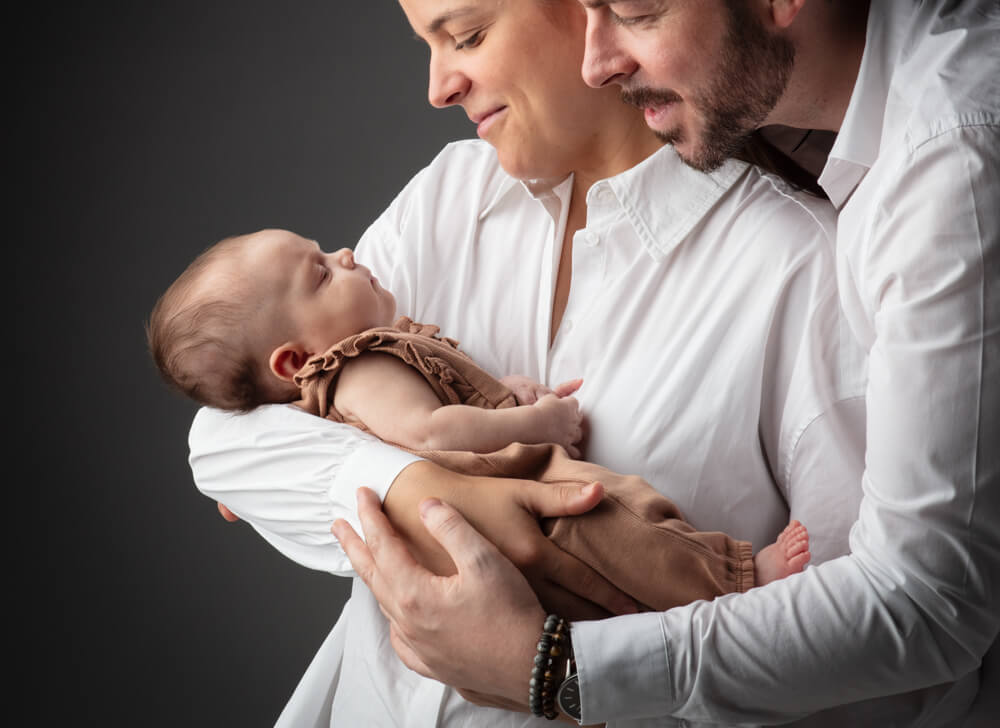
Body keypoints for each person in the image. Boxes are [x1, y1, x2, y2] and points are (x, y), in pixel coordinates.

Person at [335, 0, 1000, 726]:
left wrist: (554, 665)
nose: (596, 59)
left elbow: (925, 616)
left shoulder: (951, 167)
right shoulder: (842, 99)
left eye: (624, 9)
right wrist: (428, 474)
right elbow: (240, 413)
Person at [187, 0, 865, 727]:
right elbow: (224, 438)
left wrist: (554, 666)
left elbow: (867, 652)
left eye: (464, 35)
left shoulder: (798, 265)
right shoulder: (450, 199)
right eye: (427, 44)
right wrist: (424, 486)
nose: (437, 87)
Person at [154, 227, 811, 600]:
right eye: (322, 274)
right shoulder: (357, 366)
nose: (346, 256)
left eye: (325, 250)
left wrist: (511, 391)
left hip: (501, 502)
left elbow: (448, 398)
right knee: (619, 520)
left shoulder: (374, 354)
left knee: (623, 525)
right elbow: (431, 431)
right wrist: (535, 423)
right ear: (294, 363)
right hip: (507, 502)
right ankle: (739, 577)